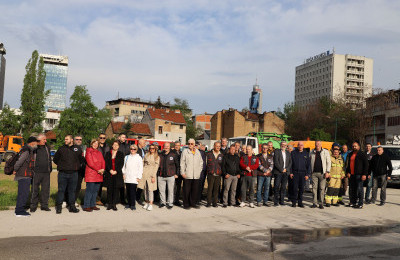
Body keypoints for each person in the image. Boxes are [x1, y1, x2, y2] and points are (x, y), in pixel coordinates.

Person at [54, 135, 82, 214]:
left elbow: (80, 160)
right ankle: (59, 207)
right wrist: (63, 165)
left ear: (72, 140)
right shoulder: (61, 149)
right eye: (65, 139)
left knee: (72, 191)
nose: (65, 140)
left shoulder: (77, 149)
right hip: (63, 173)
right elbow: (56, 160)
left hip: (74, 173)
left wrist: (76, 166)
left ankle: (72, 207)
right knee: (61, 190)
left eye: (67, 139)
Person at [14, 136, 38, 217]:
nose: (37, 144)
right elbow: (19, 162)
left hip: (25, 175)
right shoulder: (27, 151)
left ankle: (19, 209)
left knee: (22, 193)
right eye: (36, 142)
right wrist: (15, 169)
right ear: (32, 143)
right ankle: (20, 211)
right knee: (23, 193)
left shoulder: (27, 149)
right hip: (23, 175)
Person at [30, 133, 52, 212]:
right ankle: (33, 206)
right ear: (39, 140)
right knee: (34, 189)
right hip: (36, 172)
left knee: (45, 190)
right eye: (44, 139)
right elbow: (30, 149)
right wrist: (36, 142)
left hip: (46, 172)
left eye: (46, 139)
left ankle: (44, 205)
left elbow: (49, 158)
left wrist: (50, 169)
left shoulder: (47, 147)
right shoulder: (35, 147)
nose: (45, 141)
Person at [180, 138, 203, 209]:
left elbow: (201, 163)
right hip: (187, 174)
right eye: (189, 143)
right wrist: (183, 172)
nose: (190, 145)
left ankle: (193, 203)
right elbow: (182, 163)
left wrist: (199, 171)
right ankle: (186, 204)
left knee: (194, 190)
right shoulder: (185, 151)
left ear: (194, 144)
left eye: (191, 144)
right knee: (186, 190)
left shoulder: (198, 152)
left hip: (196, 175)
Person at [83, 139, 105, 212]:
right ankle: (86, 205)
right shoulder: (89, 151)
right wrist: (99, 169)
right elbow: (90, 163)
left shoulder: (99, 152)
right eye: (94, 143)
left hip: (99, 174)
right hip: (91, 174)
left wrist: (103, 169)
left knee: (95, 191)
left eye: (97, 143)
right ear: (91, 144)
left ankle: (92, 204)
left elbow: (103, 161)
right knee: (89, 190)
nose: (95, 145)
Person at [346, 141, 369, 209]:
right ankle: (353, 202)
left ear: (359, 146)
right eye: (353, 146)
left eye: (355, 146)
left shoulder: (362, 154)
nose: (354, 147)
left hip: (359, 174)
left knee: (359, 189)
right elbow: (348, 164)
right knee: (352, 189)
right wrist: (348, 172)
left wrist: (364, 174)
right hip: (352, 174)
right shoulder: (350, 154)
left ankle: (360, 203)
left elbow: (366, 165)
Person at [310, 141, 331, 209]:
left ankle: (321, 203)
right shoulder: (311, 152)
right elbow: (309, 162)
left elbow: (328, 162)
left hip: (323, 173)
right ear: (315, 144)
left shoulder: (325, 152)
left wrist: (327, 171)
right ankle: (314, 203)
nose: (317, 145)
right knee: (314, 188)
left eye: (318, 144)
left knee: (322, 189)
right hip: (314, 173)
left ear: (321, 144)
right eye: (316, 144)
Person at [138, 144, 159, 211]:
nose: (151, 149)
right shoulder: (146, 155)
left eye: (153, 148)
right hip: (145, 172)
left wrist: (153, 176)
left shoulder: (157, 157)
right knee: (145, 188)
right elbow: (142, 162)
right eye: (150, 148)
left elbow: (156, 167)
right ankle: (146, 202)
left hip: (151, 173)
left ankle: (151, 203)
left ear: (155, 149)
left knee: (150, 189)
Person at [104, 141, 124, 211]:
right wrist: (110, 170)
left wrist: (116, 171)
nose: (115, 146)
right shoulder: (108, 153)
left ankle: (114, 204)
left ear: (118, 146)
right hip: (109, 173)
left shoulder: (121, 154)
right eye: (114, 145)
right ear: (112, 145)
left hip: (117, 174)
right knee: (109, 189)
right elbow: (106, 163)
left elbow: (121, 163)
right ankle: (109, 204)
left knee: (116, 189)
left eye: (117, 145)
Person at [289, 141, 310, 207]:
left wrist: (307, 174)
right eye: (299, 145)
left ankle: (300, 202)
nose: (300, 146)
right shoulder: (293, 153)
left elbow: (308, 165)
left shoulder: (306, 154)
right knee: (295, 188)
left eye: (301, 145)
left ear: (303, 146)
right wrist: (291, 172)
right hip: (295, 173)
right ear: (297, 146)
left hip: (303, 174)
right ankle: (294, 202)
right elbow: (290, 164)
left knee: (301, 189)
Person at [158, 142, 179, 209]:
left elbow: (177, 165)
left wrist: (176, 174)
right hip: (161, 175)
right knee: (162, 190)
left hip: (170, 175)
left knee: (170, 190)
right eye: (165, 146)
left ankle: (170, 203)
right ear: (163, 147)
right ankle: (163, 203)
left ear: (169, 147)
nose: (166, 147)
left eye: (167, 146)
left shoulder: (173, 155)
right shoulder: (160, 154)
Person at [122, 144, 143, 210]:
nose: (132, 150)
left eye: (134, 149)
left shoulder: (138, 158)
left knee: (133, 191)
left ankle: (133, 204)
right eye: (131, 149)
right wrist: (124, 173)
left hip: (134, 177)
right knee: (127, 191)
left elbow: (140, 168)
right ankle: (128, 203)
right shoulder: (126, 157)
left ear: (136, 150)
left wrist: (139, 177)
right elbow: (124, 167)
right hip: (127, 176)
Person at [273, 141, 292, 206]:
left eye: (285, 145)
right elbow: (276, 162)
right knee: (276, 186)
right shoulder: (277, 152)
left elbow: (290, 162)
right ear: (280, 145)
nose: (283, 145)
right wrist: (281, 169)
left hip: (285, 173)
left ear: (286, 146)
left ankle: (282, 201)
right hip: (278, 172)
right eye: (282, 144)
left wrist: (286, 169)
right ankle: (276, 201)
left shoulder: (288, 153)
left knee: (283, 187)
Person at [206, 141, 224, 207]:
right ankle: (208, 202)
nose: (218, 147)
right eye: (217, 146)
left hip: (218, 174)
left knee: (216, 189)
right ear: (214, 146)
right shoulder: (209, 154)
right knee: (210, 189)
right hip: (211, 174)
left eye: (219, 146)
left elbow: (222, 165)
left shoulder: (221, 155)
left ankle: (214, 203)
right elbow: (206, 164)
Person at [256, 142, 274, 207]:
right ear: (262, 148)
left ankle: (265, 201)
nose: (265, 149)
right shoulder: (258, 156)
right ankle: (258, 201)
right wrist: (265, 171)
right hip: (261, 174)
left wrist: (268, 171)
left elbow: (272, 165)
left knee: (267, 188)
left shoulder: (270, 156)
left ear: (267, 149)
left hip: (268, 175)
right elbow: (259, 165)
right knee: (259, 188)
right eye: (263, 148)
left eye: (266, 148)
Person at [96, 133, 109, 206]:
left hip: (105, 168)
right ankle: (97, 199)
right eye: (101, 138)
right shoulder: (96, 146)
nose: (102, 139)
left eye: (104, 138)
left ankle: (104, 199)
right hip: (98, 168)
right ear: (99, 138)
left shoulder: (107, 147)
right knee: (98, 185)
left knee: (104, 184)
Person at [73, 135, 86, 206]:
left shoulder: (83, 148)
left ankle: (74, 200)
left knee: (78, 186)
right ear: (74, 140)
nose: (79, 141)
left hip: (81, 170)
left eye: (80, 139)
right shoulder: (72, 148)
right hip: (74, 170)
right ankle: (66, 200)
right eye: (77, 139)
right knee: (71, 186)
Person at [117, 134, 130, 205]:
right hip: (118, 166)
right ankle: (115, 199)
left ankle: (123, 199)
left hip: (125, 166)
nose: (124, 138)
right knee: (116, 183)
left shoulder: (127, 146)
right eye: (123, 137)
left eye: (125, 137)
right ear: (119, 138)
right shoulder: (116, 144)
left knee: (123, 184)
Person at [135, 139, 146, 204]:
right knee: (135, 185)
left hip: (142, 170)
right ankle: (133, 198)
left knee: (141, 185)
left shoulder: (143, 150)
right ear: (140, 143)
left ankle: (138, 198)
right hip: (136, 169)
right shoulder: (136, 150)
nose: (145, 144)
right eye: (144, 143)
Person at [173, 141, 183, 206]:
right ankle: (172, 200)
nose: (177, 146)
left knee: (178, 187)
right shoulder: (171, 153)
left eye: (178, 145)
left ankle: (176, 200)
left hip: (180, 173)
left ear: (180, 146)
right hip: (173, 173)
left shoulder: (182, 153)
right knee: (172, 188)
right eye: (176, 145)